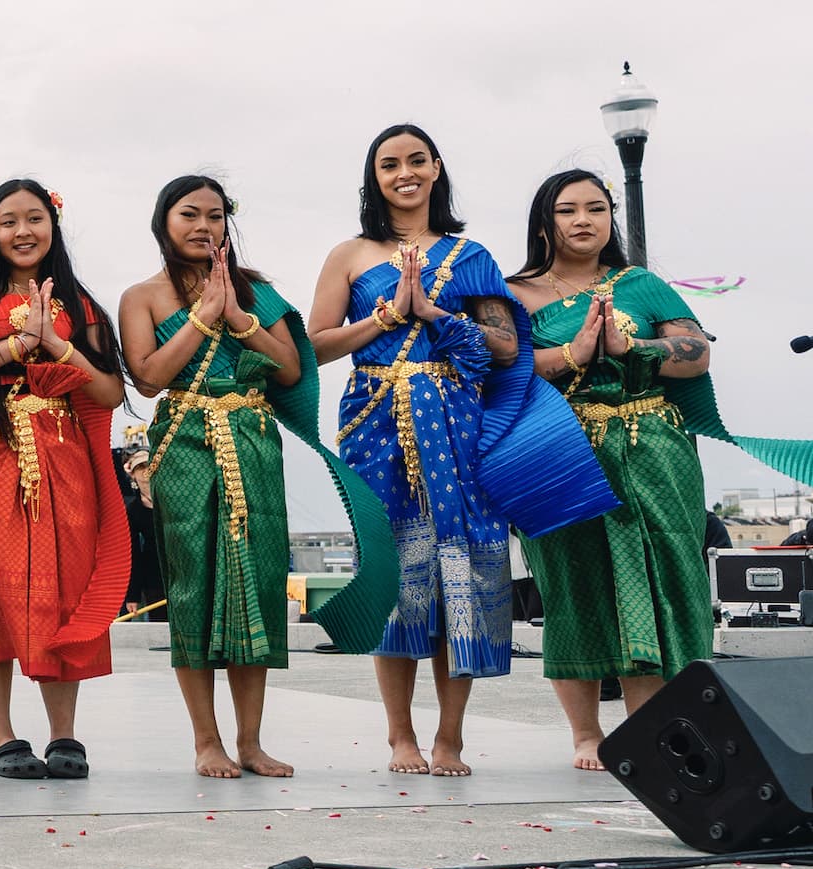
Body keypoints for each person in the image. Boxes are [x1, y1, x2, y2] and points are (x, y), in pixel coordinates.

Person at [303, 124, 613, 777]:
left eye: (417, 160)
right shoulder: (350, 255)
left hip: (458, 423)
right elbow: (318, 345)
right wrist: (388, 317)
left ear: (437, 168)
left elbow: (506, 348)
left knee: (459, 579)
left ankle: (450, 739)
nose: (404, 173)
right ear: (375, 176)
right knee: (398, 585)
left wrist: (436, 317)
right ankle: (400, 738)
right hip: (377, 423)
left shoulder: (470, 255)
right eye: (390, 164)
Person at [119, 175, 384, 780]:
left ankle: (251, 741)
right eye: (189, 214)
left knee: (257, 587)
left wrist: (236, 314)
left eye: (215, 215)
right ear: (164, 222)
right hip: (185, 443)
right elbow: (149, 376)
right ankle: (206, 742)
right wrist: (201, 317)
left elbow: (291, 369)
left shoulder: (258, 291)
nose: (203, 226)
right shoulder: (144, 296)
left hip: (254, 442)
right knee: (192, 590)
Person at [506, 170, 723, 770]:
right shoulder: (512, 294)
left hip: (652, 446)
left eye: (596, 208)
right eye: (568, 209)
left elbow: (697, 353)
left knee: (661, 581)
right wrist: (573, 354)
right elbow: (501, 371)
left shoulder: (642, 285)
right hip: (559, 451)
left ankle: (653, 727)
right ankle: (585, 734)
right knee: (572, 584)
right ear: (544, 221)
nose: (583, 220)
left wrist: (637, 351)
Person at [0, 180, 129, 781]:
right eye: (8, 221)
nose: (22, 232)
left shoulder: (82, 305)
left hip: (64, 459)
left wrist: (59, 349)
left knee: (63, 587)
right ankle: (3, 737)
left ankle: (64, 735)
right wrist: (16, 344)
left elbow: (111, 392)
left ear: (52, 225)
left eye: (34, 218)